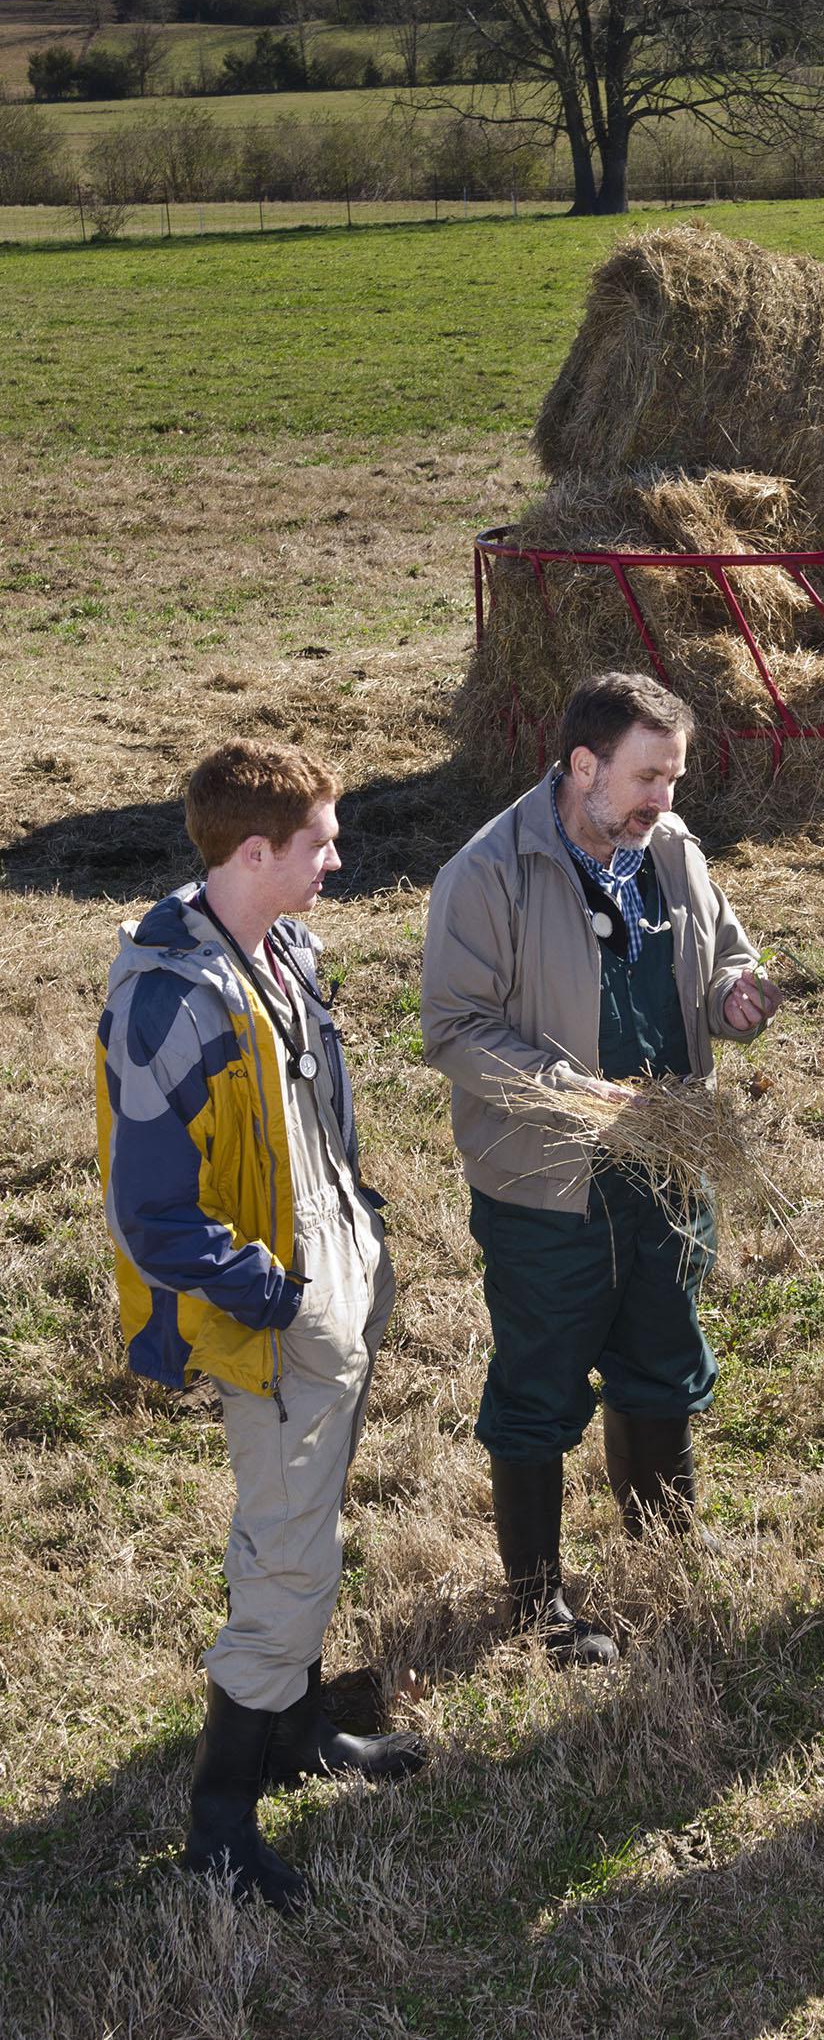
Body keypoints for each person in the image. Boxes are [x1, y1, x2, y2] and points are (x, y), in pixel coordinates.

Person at [95, 740, 426, 1913]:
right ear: (253, 852)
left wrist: (356, 1237)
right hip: (276, 1304)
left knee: (313, 1512)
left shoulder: (280, 946)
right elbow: (149, 1216)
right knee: (287, 1548)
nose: (339, 857)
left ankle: (295, 1735)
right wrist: (274, 1297)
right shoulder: (167, 1002)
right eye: (321, 843)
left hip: (332, 1266)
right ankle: (219, 1817)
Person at [421, 672, 782, 1666]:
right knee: (538, 1384)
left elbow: (724, 961)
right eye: (646, 776)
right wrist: (578, 1095)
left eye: (673, 776)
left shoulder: (671, 851)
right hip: (547, 1186)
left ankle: (663, 1554)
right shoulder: (490, 873)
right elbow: (453, 1032)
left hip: (667, 1169)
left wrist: (736, 998)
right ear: (582, 767)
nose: (663, 799)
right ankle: (537, 1609)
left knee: (661, 1352)